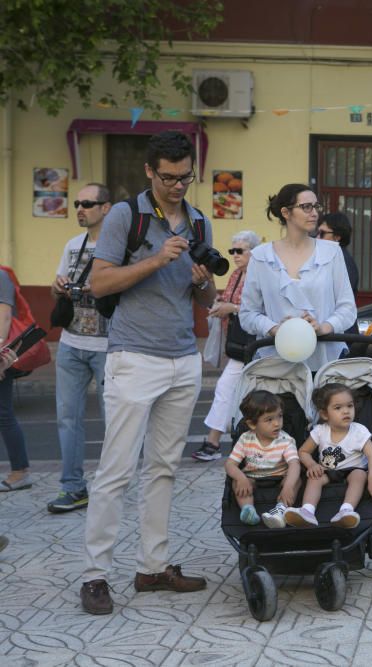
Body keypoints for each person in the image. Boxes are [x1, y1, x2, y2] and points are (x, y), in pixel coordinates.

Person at [81, 130, 217, 616]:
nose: (178, 186)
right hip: (134, 357)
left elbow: (205, 298)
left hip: (183, 358)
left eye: (185, 177)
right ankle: (95, 575)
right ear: (149, 172)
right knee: (116, 471)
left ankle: (152, 566)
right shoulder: (125, 216)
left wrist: (203, 284)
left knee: (163, 469)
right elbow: (99, 283)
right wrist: (158, 258)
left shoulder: (199, 221)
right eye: (168, 177)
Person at [239, 184, 356, 369]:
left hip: (324, 360)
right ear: (286, 213)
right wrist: (274, 329)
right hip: (275, 362)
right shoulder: (261, 257)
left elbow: (347, 308)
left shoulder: (332, 252)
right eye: (306, 207)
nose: (315, 213)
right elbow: (247, 314)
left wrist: (323, 327)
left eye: (316, 206)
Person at [46, 185, 112, 512]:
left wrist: (99, 287)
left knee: (113, 421)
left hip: (107, 346)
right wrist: (58, 288)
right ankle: (73, 487)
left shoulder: (117, 248)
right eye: (77, 203)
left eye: (88, 203)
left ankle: (110, 487)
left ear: (106, 208)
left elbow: (124, 293)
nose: (80, 209)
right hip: (70, 344)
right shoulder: (73, 245)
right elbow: (56, 289)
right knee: (67, 419)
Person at [192, 230, 261, 462]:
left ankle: (246, 445)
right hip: (239, 344)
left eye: (240, 251)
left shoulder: (262, 276)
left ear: (254, 252)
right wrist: (221, 304)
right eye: (232, 251)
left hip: (258, 345)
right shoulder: (236, 275)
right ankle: (213, 442)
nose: (235, 255)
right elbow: (231, 302)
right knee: (225, 389)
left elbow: (264, 312)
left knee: (252, 396)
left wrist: (231, 308)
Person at [284, 383, 372, 528]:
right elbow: (303, 452)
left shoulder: (359, 431)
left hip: (352, 469)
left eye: (349, 406)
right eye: (338, 408)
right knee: (314, 477)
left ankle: (346, 510)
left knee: (359, 475)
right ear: (324, 414)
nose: (346, 411)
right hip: (327, 471)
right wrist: (312, 464)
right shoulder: (320, 431)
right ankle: (307, 510)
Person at [225, 390, 301, 528]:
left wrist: (289, 485)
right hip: (253, 477)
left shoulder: (285, 440)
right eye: (269, 420)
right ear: (253, 424)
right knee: (237, 481)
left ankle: (281, 509)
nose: (277, 424)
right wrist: (241, 477)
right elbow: (230, 464)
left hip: (279, 477)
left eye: (280, 416)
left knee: (296, 481)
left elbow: (294, 464)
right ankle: (248, 510)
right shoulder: (245, 439)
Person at [317, 212, 360, 336]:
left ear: (337, 237)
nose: (317, 238)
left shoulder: (343, 261)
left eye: (323, 233)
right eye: (317, 233)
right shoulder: (329, 258)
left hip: (340, 334)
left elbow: (340, 302)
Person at [0, 326, 27, 492]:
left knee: (3, 414)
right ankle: (20, 471)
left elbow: (4, 318)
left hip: (3, 358)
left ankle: (20, 471)